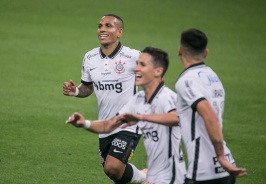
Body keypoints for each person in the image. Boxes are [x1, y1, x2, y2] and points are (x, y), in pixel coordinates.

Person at [66, 46, 186, 184]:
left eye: (143, 65)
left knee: (114, 167)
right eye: (137, 64)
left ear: (158, 71)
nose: (136, 69)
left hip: (173, 177)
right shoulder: (137, 100)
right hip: (155, 176)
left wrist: (140, 117)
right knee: (112, 169)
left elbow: (177, 117)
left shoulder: (166, 97)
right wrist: (84, 123)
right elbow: (109, 124)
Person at [62, 14, 145, 183]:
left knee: (113, 167)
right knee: (114, 173)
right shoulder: (90, 57)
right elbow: (87, 87)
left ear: (119, 31)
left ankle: (148, 177)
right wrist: (76, 91)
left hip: (129, 124)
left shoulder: (134, 56)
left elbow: (155, 75)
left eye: (108, 26)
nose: (102, 29)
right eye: (100, 26)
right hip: (105, 125)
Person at [175, 28, 247, 184]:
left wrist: (219, 157)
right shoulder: (212, 76)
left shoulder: (186, 80)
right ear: (206, 53)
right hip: (226, 168)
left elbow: (210, 117)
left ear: (180, 50)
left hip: (204, 170)